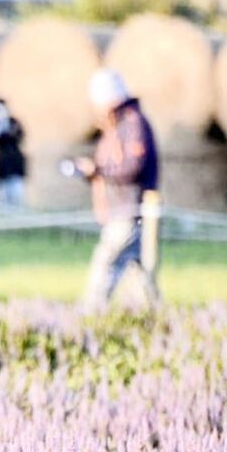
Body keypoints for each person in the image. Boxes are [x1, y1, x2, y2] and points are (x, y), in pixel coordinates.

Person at [73, 70, 161, 313]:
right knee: (139, 277)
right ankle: (156, 321)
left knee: (105, 264)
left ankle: (88, 316)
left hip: (128, 212)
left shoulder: (133, 125)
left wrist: (99, 170)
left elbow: (133, 166)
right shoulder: (118, 127)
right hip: (120, 212)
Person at [0, 98, 26, 207]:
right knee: (2, 198)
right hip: (2, 166)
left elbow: (18, 136)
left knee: (17, 195)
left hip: (15, 164)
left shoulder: (13, 123)